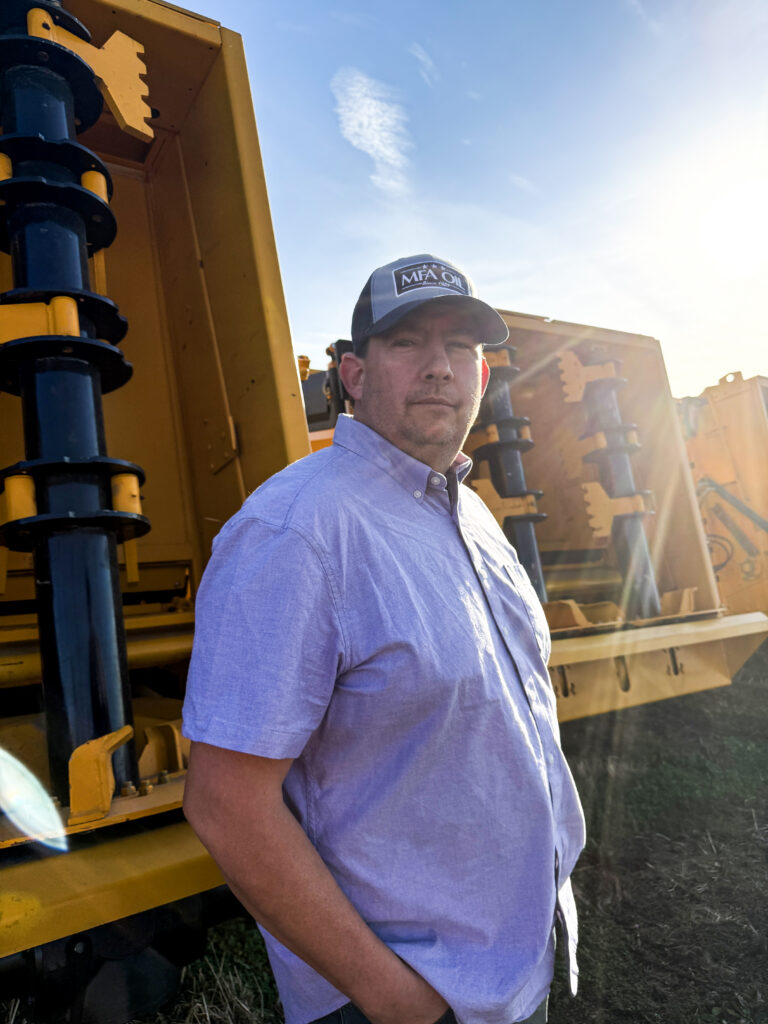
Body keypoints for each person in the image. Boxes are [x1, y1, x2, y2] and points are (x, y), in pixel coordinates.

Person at [182, 254, 586, 1024]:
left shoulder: (471, 515)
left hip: (513, 963)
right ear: (354, 375)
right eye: (407, 342)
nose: (439, 367)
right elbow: (227, 805)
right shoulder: (298, 533)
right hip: (410, 995)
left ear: (482, 372)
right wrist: (393, 999)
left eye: (460, 347)